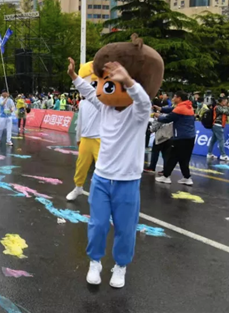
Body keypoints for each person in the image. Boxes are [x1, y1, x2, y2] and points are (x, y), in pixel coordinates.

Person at [69, 32, 164, 289]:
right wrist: (75, 77)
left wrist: (129, 81)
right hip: (101, 179)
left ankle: (120, 266)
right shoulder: (105, 108)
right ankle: (95, 261)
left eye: (109, 84)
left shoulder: (137, 114)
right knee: (97, 225)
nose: (103, 89)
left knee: (125, 229)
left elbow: (144, 102)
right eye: (104, 83)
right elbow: (91, 94)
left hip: (127, 182)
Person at [67, 61, 100, 201]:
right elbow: (80, 122)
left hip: (100, 138)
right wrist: (78, 138)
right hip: (86, 138)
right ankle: (78, 187)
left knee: (102, 169)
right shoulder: (83, 104)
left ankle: (103, 193)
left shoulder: (102, 101)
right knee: (81, 166)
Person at [154, 91, 196, 184]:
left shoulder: (180, 109)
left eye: (174, 97)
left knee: (171, 157)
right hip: (190, 137)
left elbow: (167, 119)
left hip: (181, 137)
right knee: (184, 159)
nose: (172, 98)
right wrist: (161, 109)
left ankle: (166, 176)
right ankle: (187, 178)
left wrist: (157, 116)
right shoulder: (188, 106)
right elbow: (172, 109)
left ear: (179, 98)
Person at [207, 97, 229, 162]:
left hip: (217, 125)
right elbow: (226, 112)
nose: (226, 102)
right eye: (225, 101)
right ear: (222, 101)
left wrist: (228, 107)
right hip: (217, 125)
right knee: (221, 140)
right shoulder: (218, 107)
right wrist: (228, 106)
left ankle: (209, 153)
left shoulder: (222, 106)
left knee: (213, 140)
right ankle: (223, 155)